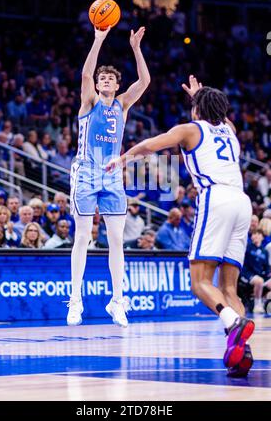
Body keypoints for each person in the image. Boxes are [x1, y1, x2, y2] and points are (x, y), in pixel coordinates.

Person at [106, 75, 255, 376]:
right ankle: (242, 353)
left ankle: (232, 322)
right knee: (229, 287)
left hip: (216, 198)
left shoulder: (190, 129)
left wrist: (124, 158)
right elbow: (219, 115)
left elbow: (151, 144)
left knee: (200, 282)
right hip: (243, 202)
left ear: (197, 110)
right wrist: (202, 97)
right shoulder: (231, 130)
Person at [68, 25, 150, 328]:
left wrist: (136, 48)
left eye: (110, 78)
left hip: (112, 175)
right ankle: (75, 300)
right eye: (102, 77)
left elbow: (144, 81)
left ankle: (117, 301)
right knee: (82, 237)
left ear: (116, 86)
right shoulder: (89, 103)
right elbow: (85, 75)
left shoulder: (123, 104)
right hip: (86, 172)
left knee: (117, 240)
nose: (104, 80)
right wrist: (98, 39)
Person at [240, 229, 271, 313]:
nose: (256, 236)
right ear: (251, 236)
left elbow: (266, 267)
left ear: (262, 237)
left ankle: (263, 301)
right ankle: (257, 305)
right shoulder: (247, 247)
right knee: (259, 281)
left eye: (259, 234)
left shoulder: (265, 251)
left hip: (261, 275)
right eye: (254, 233)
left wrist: (269, 274)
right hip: (247, 274)